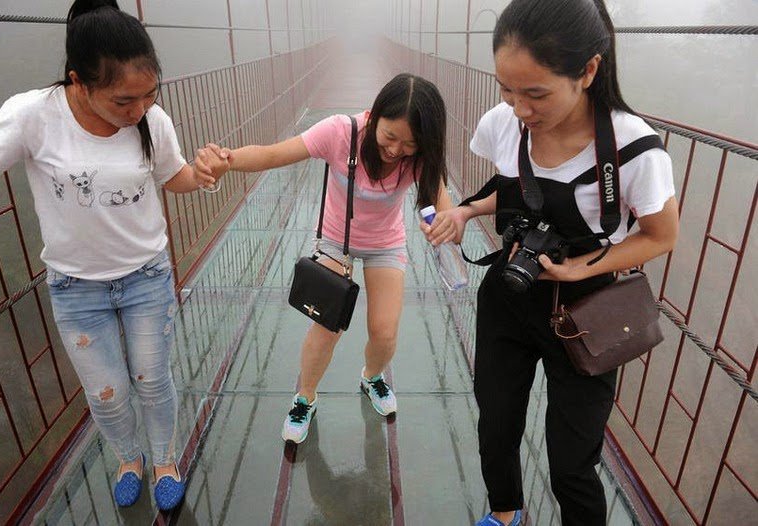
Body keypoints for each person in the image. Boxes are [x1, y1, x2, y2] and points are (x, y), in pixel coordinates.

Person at [421, 1, 679, 525]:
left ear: (588, 71)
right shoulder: (504, 124)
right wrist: (469, 209)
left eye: (535, 93)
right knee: (496, 423)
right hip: (511, 296)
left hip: (589, 312)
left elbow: (661, 235)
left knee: (571, 462)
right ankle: (505, 514)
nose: (518, 108)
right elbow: (516, 188)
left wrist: (581, 268)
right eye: (507, 90)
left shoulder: (634, 148)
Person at [0, 0, 230, 511]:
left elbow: (169, 176)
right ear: (78, 83)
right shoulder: (32, 115)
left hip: (146, 277)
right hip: (76, 287)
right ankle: (128, 459)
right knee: (106, 391)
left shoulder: (153, 120)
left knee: (152, 378)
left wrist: (200, 175)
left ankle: (164, 461)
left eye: (149, 94)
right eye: (122, 100)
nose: (138, 110)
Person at [212, 73, 451, 444]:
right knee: (327, 327)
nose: (395, 150)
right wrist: (228, 160)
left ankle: (371, 376)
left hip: (385, 243)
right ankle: (304, 397)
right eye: (389, 137)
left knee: (384, 332)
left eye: (409, 145)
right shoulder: (341, 132)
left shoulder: (418, 156)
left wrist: (445, 224)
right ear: (373, 116)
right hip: (335, 240)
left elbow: (437, 198)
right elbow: (274, 154)